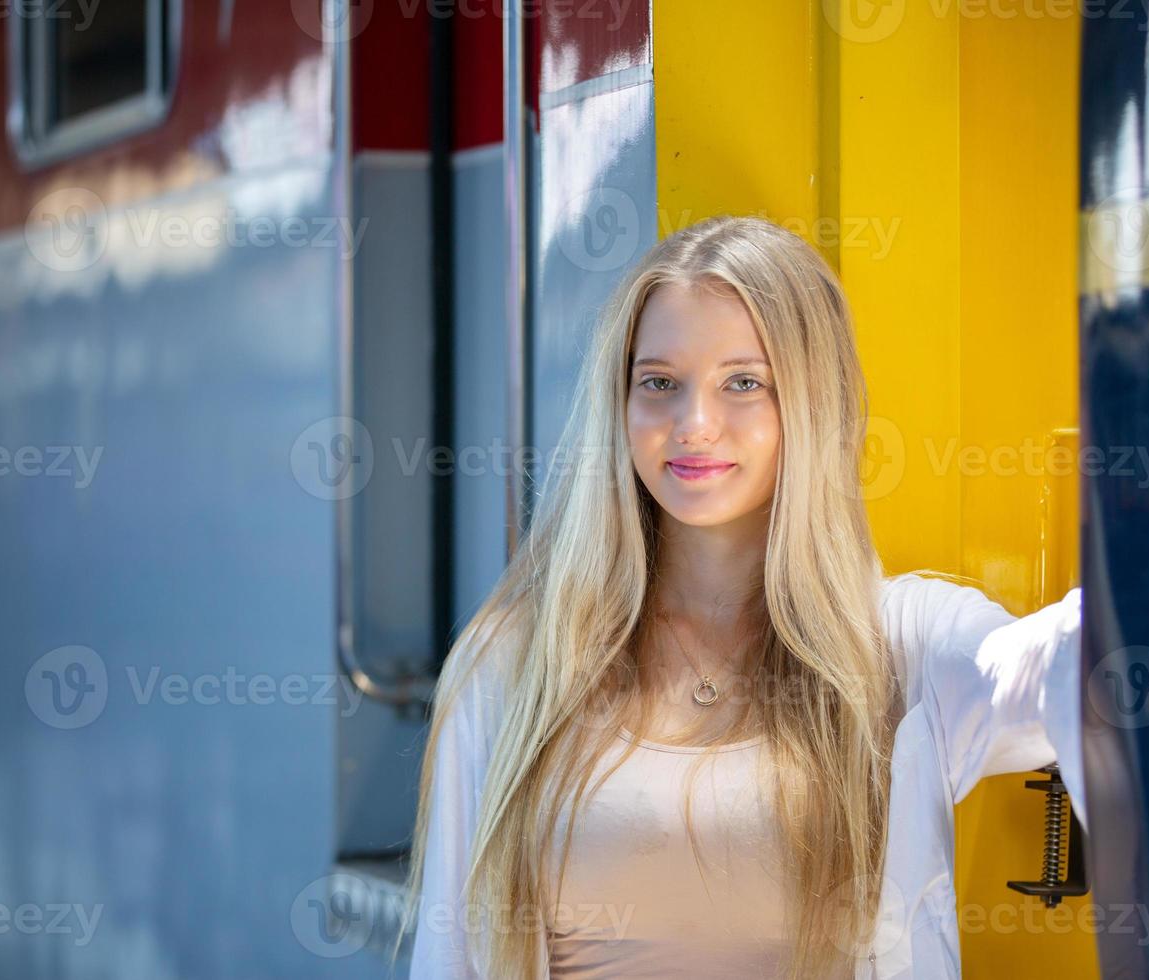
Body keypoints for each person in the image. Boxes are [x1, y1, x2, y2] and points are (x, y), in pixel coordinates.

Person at [391, 215, 1085, 979]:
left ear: (813, 404)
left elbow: (1049, 668)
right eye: (660, 383)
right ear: (618, 406)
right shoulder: (518, 660)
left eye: (743, 383)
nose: (694, 425)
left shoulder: (901, 645)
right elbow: (447, 958)